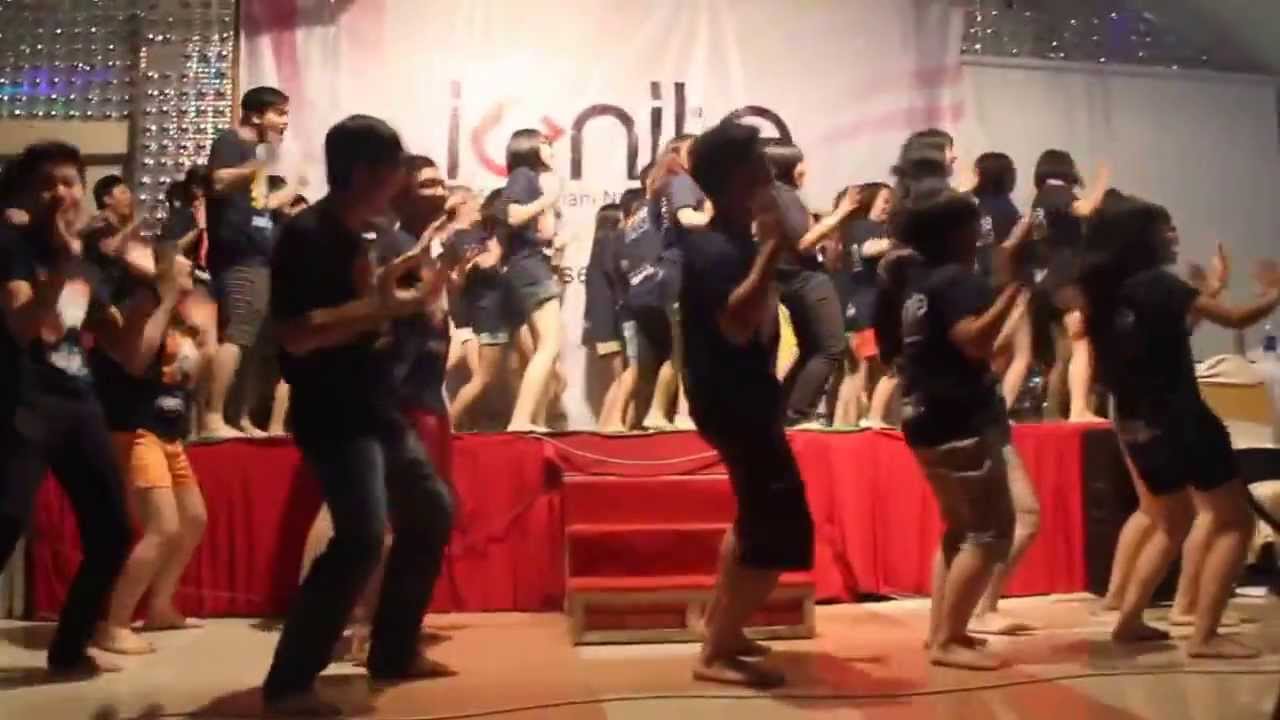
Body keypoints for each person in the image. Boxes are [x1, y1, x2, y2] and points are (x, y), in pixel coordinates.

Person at [263, 115, 455, 713]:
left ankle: (393, 650)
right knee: (362, 536)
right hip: (331, 409)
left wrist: (414, 302)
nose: (400, 182)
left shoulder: (372, 235)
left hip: (375, 404)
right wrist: (378, 308)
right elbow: (295, 334)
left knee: (430, 511)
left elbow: (387, 310)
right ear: (365, 172)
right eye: (394, 169)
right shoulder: (306, 235)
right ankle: (290, 682)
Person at [1076, 190, 1277, 658]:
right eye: (1162, 229)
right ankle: (1205, 635)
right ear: (1141, 238)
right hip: (1181, 417)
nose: (1172, 235)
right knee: (1235, 521)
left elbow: (1168, 335)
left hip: (1136, 423)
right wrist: (1273, 292)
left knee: (1171, 521)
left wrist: (1211, 290)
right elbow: (1236, 319)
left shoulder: (1107, 295)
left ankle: (1129, 620)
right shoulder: (1160, 284)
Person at [876, 169, 1032, 670]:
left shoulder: (917, 285)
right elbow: (975, 341)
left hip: (924, 416)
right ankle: (948, 640)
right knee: (991, 533)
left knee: (960, 530)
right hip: (958, 418)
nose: (980, 231)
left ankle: (944, 632)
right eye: (974, 224)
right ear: (956, 233)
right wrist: (1012, 290)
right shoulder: (957, 281)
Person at [680, 118, 814, 687]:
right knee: (778, 526)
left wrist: (769, 246)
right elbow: (735, 323)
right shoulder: (713, 248)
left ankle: (725, 632)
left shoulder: (733, 240)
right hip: (732, 399)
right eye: (758, 162)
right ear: (739, 175)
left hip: (744, 395)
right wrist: (773, 248)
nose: (768, 171)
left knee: (757, 516)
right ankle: (715, 653)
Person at [0, 141, 132, 675]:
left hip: (79, 402)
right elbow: (23, 325)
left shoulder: (85, 258)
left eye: (69, 182)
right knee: (5, 523)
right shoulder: (11, 245)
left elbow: (113, 335)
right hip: (22, 400)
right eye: (46, 184)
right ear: (24, 195)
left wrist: (156, 291)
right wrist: (59, 263)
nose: (60, 193)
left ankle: (70, 647)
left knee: (113, 531)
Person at [91, 250, 207, 655]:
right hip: (137, 429)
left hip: (169, 431)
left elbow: (187, 374)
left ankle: (159, 606)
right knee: (163, 528)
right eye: (183, 264)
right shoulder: (141, 306)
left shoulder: (181, 316)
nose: (192, 268)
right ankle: (114, 624)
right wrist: (167, 299)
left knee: (194, 519)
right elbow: (137, 360)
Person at [202, 85, 293, 438]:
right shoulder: (231, 141)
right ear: (256, 115)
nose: (284, 122)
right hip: (238, 257)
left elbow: (262, 206)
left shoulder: (258, 154)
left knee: (253, 339)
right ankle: (213, 417)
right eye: (279, 113)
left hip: (260, 256)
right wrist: (260, 163)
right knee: (238, 332)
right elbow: (218, 182)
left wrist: (293, 185)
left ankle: (239, 416)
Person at [761, 140, 860, 427]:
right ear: (788, 166)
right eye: (800, 162)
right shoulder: (783, 195)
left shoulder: (774, 196)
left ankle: (784, 413)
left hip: (793, 279)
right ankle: (796, 414)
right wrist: (841, 212)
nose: (805, 169)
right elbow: (803, 242)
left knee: (812, 348)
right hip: (805, 280)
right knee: (831, 347)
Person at [1026, 149, 1110, 422]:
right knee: (1081, 341)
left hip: (1045, 283)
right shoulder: (1056, 192)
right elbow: (1085, 209)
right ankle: (1078, 409)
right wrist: (1101, 182)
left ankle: (1053, 413)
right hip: (1065, 281)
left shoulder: (1039, 199)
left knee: (1062, 353)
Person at [500, 129, 563, 432]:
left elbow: (544, 233)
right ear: (529, 148)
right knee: (549, 344)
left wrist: (548, 203)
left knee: (545, 346)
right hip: (529, 267)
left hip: (532, 264)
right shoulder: (522, 175)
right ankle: (521, 419)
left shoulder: (532, 179)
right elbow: (512, 216)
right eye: (545, 144)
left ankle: (535, 420)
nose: (551, 150)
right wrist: (547, 198)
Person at [972, 153, 1035, 411]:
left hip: (980, 285)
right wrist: (1022, 231)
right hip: (1008, 286)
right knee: (1021, 353)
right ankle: (1000, 410)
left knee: (998, 352)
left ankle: (985, 407)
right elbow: (1012, 251)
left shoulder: (974, 209)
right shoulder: (1006, 209)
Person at [442, 190, 510, 430]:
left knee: (481, 377)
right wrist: (495, 251)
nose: (479, 204)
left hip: (479, 314)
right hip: (478, 315)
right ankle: (449, 427)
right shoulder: (458, 237)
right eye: (474, 199)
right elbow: (481, 265)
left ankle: (467, 425)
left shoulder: (474, 234)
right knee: (482, 377)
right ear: (462, 204)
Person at [840, 182, 894, 426]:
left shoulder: (854, 228)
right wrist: (902, 241)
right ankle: (866, 422)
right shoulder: (865, 228)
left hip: (858, 306)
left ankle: (847, 423)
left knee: (860, 370)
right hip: (867, 308)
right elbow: (868, 250)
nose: (888, 207)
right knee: (870, 370)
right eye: (885, 201)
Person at [582, 203, 629, 431]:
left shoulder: (596, 248)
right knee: (623, 378)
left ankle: (605, 424)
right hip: (610, 322)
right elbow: (616, 272)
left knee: (618, 379)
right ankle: (613, 423)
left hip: (600, 325)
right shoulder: (611, 242)